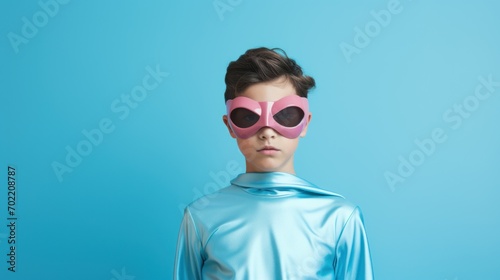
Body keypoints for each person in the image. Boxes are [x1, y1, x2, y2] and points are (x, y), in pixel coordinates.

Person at [174, 47, 374, 279]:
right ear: (229, 125)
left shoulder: (340, 218)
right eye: (248, 117)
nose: (267, 132)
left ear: (305, 123)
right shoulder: (200, 217)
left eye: (286, 115)